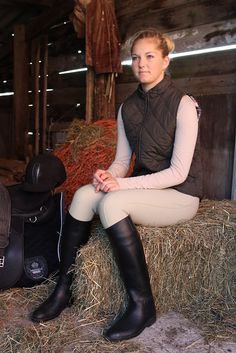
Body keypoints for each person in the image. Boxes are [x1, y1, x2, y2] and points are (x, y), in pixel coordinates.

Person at [30, 28, 202, 342]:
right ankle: (64, 289)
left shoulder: (184, 105)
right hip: (143, 189)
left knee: (111, 202)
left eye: (150, 56)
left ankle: (142, 306)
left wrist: (120, 186)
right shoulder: (128, 108)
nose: (142, 63)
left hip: (179, 194)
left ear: (165, 60)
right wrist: (109, 175)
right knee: (84, 195)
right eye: (136, 57)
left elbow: (178, 173)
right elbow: (122, 160)